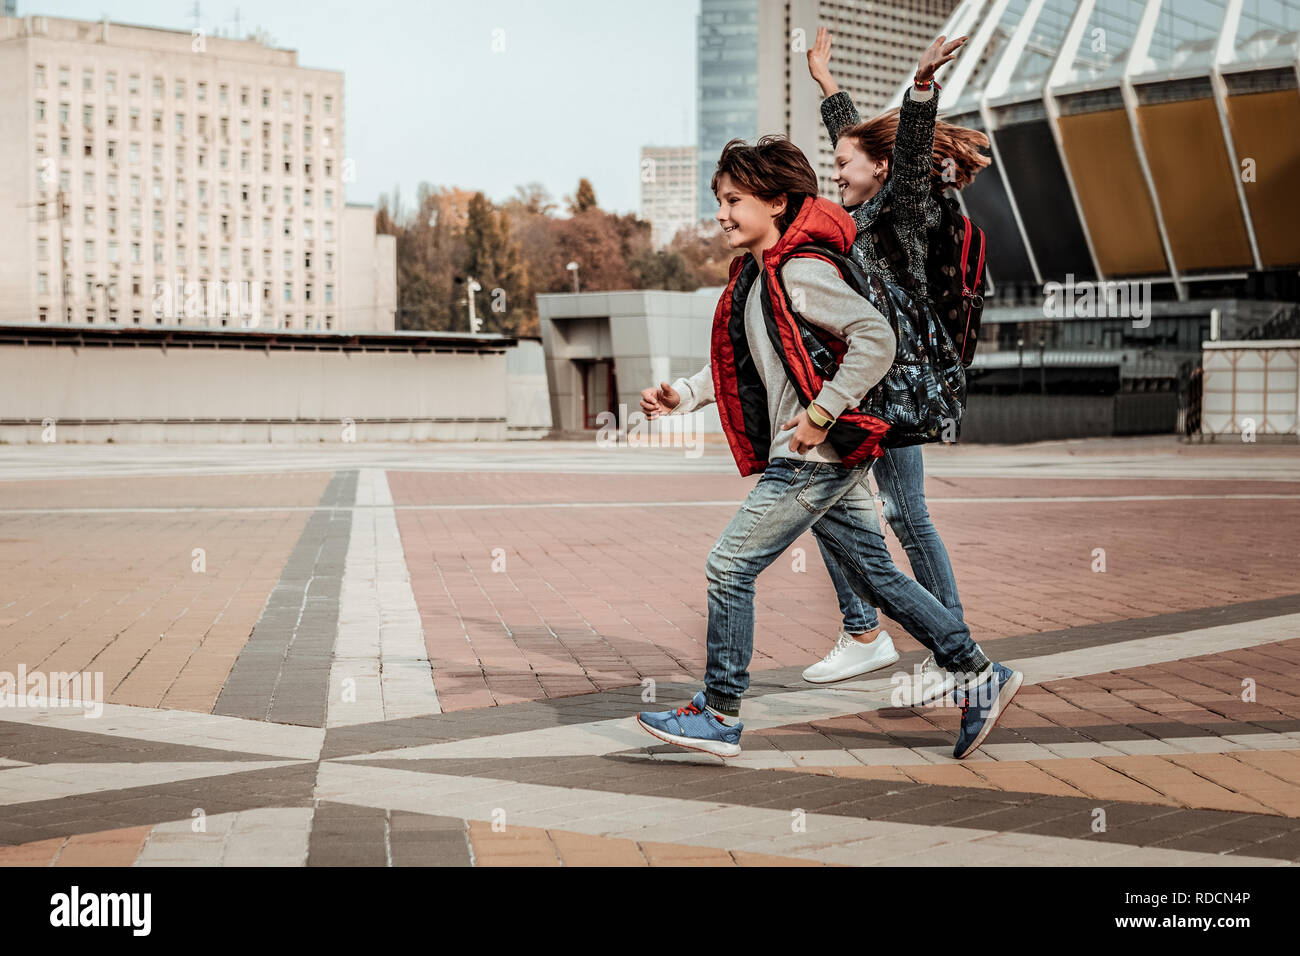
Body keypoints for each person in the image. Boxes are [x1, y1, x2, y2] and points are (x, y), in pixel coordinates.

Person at [634, 134, 1021, 761]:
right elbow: (753, 369)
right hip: (822, 456)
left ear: (778, 202)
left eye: (734, 200)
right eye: (720, 200)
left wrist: (821, 411)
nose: (722, 213)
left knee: (729, 566)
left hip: (813, 457)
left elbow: (876, 338)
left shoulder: (800, 269)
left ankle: (719, 712)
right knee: (877, 574)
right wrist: (683, 394)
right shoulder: (762, 277)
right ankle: (979, 675)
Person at [794, 28, 992, 693]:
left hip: (897, 389)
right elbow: (861, 144)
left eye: (845, 164)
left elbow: (900, 154)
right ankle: (865, 634)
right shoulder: (865, 207)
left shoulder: (903, 207)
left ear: (880, 170)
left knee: (901, 514)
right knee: (828, 500)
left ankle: (948, 647)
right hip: (865, 388)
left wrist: (922, 84)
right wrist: (827, 85)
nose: (837, 172)